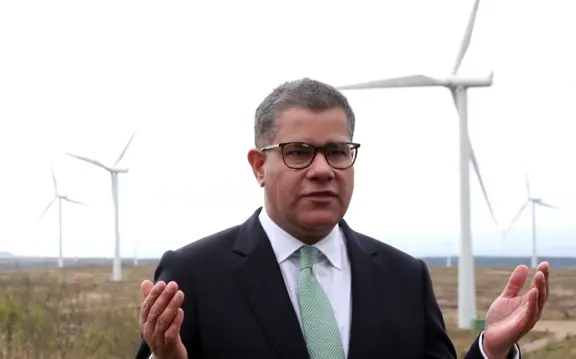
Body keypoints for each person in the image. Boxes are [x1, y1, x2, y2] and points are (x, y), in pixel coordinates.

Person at [135, 78, 550, 359]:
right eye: (299, 152)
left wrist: (490, 351)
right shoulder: (192, 276)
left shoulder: (405, 278)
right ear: (259, 166)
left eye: (336, 152)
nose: (322, 170)